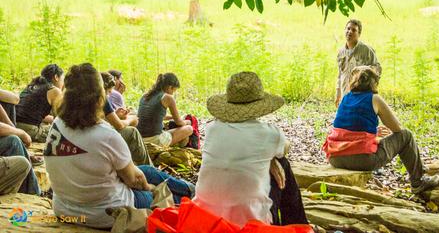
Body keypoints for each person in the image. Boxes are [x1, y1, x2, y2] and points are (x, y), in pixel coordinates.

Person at [44, 63, 194, 229]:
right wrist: (150, 188)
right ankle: (192, 196)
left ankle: (190, 189)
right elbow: (134, 180)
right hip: (104, 213)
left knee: (149, 170)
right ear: (100, 96)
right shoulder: (106, 135)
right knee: (164, 195)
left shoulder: (57, 124)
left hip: (64, 209)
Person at [193, 72, 307, 227]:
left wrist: (269, 158)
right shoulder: (268, 134)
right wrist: (272, 156)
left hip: (205, 218)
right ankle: (297, 226)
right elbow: (286, 147)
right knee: (283, 163)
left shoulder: (212, 129)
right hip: (248, 225)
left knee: (275, 161)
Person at [323, 66, 439, 194]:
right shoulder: (374, 98)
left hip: (335, 157)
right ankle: (418, 182)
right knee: (406, 135)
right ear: (374, 83)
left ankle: (420, 174)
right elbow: (397, 128)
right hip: (362, 160)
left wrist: (372, 132)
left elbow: (348, 127)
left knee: (397, 136)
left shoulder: (345, 98)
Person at [100, 72, 152, 166]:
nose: (109, 95)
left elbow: (98, 118)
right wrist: (130, 119)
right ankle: (148, 168)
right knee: (132, 132)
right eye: (108, 92)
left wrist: (115, 115)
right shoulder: (102, 97)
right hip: (98, 138)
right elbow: (119, 125)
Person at [335, 19, 381, 108]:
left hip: (362, 96)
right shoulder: (341, 52)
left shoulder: (366, 50)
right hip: (345, 94)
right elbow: (340, 74)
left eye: (354, 30)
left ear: (359, 34)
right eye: (348, 29)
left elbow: (378, 70)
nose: (350, 32)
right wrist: (338, 92)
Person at [137, 73, 192, 147]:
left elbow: (155, 116)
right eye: (174, 91)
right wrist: (187, 122)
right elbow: (179, 122)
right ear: (170, 87)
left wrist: (172, 117)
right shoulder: (168, 97)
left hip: (139, 138)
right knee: (189, 129)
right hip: (155, 140)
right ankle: (178, 150)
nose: (173, 93)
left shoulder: (145, 96)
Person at [15, 64, 64, 142]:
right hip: (30, 130)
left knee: (46, 125)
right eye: (62, 80)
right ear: (56, 77)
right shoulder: (54, 91)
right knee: (63, 134)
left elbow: (31, 112)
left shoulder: (32, 85)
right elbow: (59, 120)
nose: (63, 84)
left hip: (14, 126)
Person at [0, 116, 41, 195]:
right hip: (31, 127)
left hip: (22, 125)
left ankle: (33, 191)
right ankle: (33, 193)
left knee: (13, 140)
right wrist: (22, 133)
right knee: (23, 163)